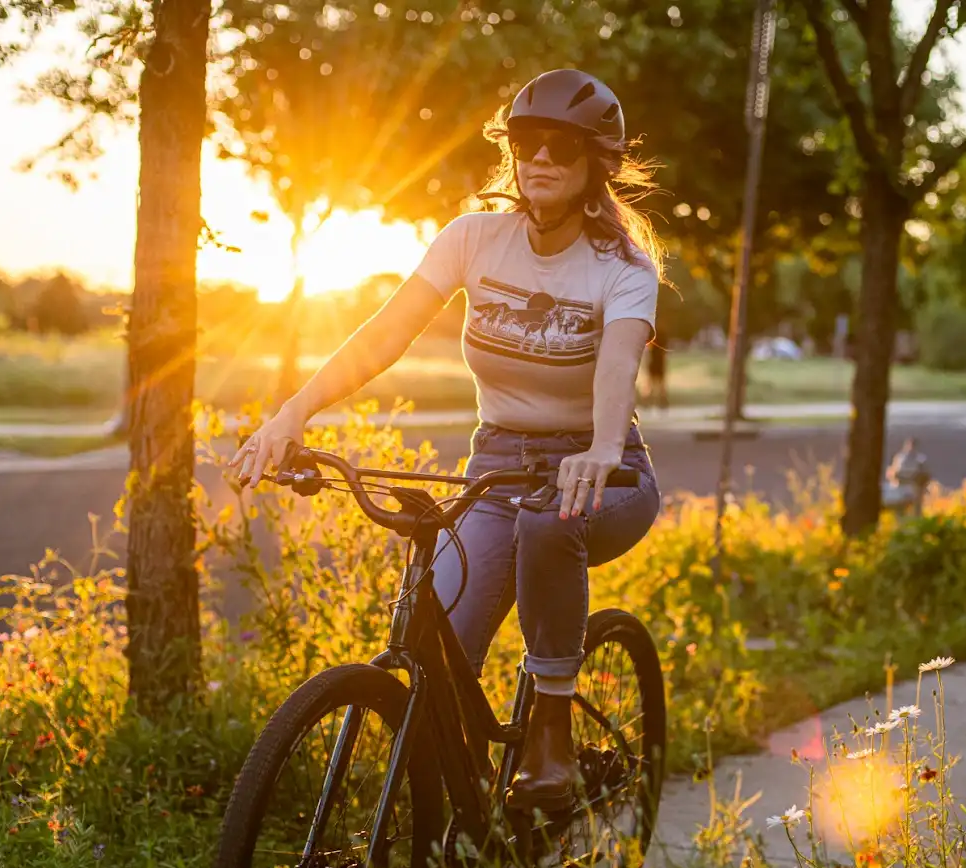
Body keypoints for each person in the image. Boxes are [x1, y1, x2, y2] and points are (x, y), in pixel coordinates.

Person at [231, 68, 665, 813]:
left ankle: (552, 740)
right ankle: (454, 821)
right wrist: (292, 413)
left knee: (549, 520)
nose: (541, 160)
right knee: (444, 650)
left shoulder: (622, 270)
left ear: (598, 161)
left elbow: (619, 366)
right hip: (497, 464)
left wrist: (596, 446)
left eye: (562, 147)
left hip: (604, 472)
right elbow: (384, 336)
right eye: (528, 143)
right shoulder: (473, 239)